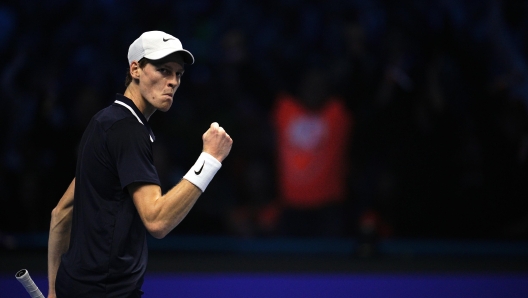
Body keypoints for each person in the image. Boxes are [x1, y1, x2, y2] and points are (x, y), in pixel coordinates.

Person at [47, 30, 233, 298]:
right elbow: (157, 221)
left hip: (75, 288)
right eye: (162, 70)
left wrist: (54, 290)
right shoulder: (128, 131)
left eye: (178, 74)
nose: (173, 82)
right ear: (135, 68)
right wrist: (210, 160)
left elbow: (61, 212)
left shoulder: (105, 121)